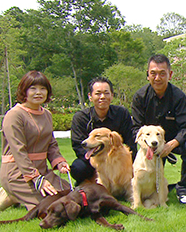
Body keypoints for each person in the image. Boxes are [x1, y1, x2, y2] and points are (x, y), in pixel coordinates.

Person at [132, 54, 186, 205]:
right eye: (153, 73)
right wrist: (147, 146)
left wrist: (170, 145)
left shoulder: (178, 96)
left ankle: (184, 189)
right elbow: (135, 128)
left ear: (170, 74)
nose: (157, 78)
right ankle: (135, 191)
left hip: (172, 141)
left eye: (162, 73)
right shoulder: (140, 97)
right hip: (149, 143)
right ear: (147, 75)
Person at [0, 71, 70, 211]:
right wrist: (37, 180)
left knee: (69, 194)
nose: (38, 92)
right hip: (18, 172)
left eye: (43, 89)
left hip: (42, 170)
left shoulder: (47, 115)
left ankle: (14, 197)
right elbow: (18, 151)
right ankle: (12, 194)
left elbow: (51, 144)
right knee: (51, 206)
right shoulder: (14, 115)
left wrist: (59, 162)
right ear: (24, 91)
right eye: (33, 88)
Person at [70, 77, 137, 185]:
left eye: (106, 93)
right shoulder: (80, 117)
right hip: (93, 162)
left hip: (117, 161)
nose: (102, 97)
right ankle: (89, 182)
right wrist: (99, 162)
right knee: (78, 168)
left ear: (112, 95)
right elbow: (78, 147)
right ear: (90, 97)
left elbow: (131, 143)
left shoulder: (122, 113)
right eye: (98, 93)